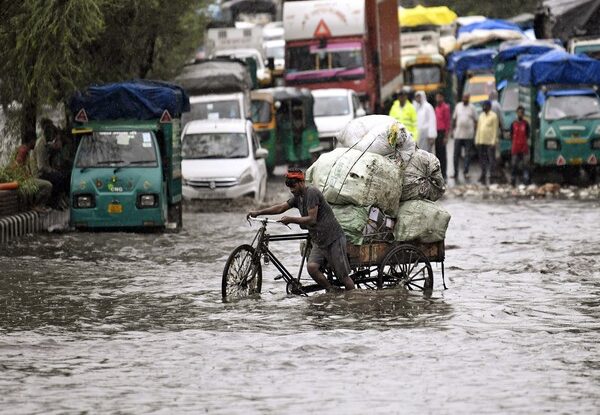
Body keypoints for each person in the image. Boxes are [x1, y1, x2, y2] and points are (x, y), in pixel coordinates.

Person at [247, 168, 355, 292]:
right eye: (290, 187)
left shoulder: (312, 193)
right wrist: (258, 212)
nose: (291, 190)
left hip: (333, 238)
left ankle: (352, 300)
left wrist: (291, 219)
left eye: (293, 186)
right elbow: (281, 208)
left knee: (343, 277)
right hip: (319, 240)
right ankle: (331, 290)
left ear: (301, 182)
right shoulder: (298, 197)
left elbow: (312, 219)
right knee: (312, 268)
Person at [33, 119, 68, 208]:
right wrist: (51, 171)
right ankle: (53, 202)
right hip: (39, 173)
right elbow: (41, 166)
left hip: (46, 170)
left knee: (63, 176)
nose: (52, 137)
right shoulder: (41, 144)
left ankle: (60, 200)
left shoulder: (46, 143)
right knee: (58, 178)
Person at [13, 141, 53, 212]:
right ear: (31, 140)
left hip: (29, 178)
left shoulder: (26, 151)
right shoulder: (23, 151)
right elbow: (17, 166)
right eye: (34, 141)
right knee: (48, 185)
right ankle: (38, 205)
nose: (35, 144)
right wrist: (26, 177)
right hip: (25, 180)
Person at [451, 93, 478, 181]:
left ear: (469, 98)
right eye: (464, 97)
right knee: (456, 155)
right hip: (458, 134)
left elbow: (476, 120)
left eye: (466, 98)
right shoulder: (458, 106)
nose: (465, 99)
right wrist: (452, 130)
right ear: (462, 98)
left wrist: (475, 132)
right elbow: (454, 119)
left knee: (467, 154)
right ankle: (455, 173)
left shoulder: (472, 108)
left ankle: (466, 172)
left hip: (468, 135)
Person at [475, 100, 499, 185]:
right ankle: (483, 174)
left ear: (489, 107)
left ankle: (492, 175)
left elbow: (495, 130)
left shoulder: (494, 116)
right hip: (481, 141)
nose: (484, 107)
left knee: (491, 159)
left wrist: (494, 141)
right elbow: (479, 128)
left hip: (490, 142)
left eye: (485, 106)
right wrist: (477, 140)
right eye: (483, 106)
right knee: (482, 160)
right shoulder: (481, 116)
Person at [510, 106, 531, 186]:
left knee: (525, 165)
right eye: (519, 112)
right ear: (516, 113)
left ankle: (526, 179)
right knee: (514, 164)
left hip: (524, 147)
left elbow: (528, 135)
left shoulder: (526, 124)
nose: (520, 114)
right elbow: (511, 135)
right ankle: (513, 179)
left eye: (521, 113)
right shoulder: (513, 124)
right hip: (515, 147)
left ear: (523, 114)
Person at [434, 92, 451, 180]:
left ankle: (444, 173)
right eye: (437, 97)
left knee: (443, 154)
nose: (438, 99)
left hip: (442, 132)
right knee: (437, 154)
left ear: (442, 98)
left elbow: (447, 122)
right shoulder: (436, 108)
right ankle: (439, 173)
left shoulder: (445, 107)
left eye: (440, 97)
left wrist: (446, 136)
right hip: (436, 132)